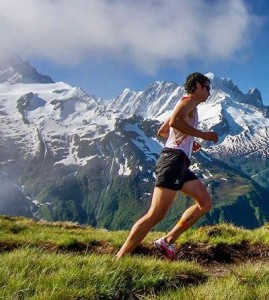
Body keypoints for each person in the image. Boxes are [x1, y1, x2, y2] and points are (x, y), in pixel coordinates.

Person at [115, 72, 218, 260]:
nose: (209, 93)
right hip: (173, 160)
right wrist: (202, 135)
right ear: (197, 86)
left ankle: (167, 241)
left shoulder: (188, 105)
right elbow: (174, 122)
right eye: (207, 88)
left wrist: (188, 140)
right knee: (156, 214)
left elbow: (163, 131)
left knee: (205, 203)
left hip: (179, 161)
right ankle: (120, 257)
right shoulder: (188, 101)